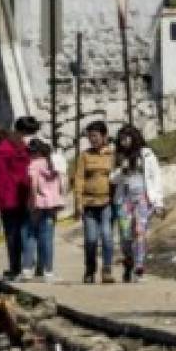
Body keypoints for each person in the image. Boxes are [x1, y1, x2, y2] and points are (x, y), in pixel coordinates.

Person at [0, 115, 40, 280]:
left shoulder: (8, 149)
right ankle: (21, 267)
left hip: (21, 198)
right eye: (29, 133)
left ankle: (19, 268)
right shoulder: (8, 151)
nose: (31, 137)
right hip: (13, 198)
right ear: (21, 131)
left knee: (19, 234)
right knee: (19, 234)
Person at [111, 125, 164, 282]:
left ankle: (139, 268)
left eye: (125, 138)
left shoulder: (147, 155)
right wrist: (122, 171)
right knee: (126, 235)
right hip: (124, 199)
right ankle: (129, 262)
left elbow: (156, 178)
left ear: (134, 137)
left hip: (143, 198)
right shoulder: (119, 156)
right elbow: (112, 178)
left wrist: (159, 202)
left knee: (140, 233)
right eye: (120, 140)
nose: (123, 142)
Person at [73, 120, 116, 284]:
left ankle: (107, 270)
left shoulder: (112, 155)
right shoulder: (84, 156)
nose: (92, 139)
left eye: (95, 136)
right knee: (91, 239)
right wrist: (78, 202)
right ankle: (90, 269)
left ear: (104, 136)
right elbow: (79, 178)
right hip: (89, 204)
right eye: (90, 136)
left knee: (107, 236)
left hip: (107, 202)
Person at [26, 137, 64, 281]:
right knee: (48, 238)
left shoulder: (34, 164)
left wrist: (32, 200)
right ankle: (48, 271)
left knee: (32, 236)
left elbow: (33, 185)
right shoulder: (53, 163)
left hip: (39, 203)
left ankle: (27, 269)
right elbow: (62, 182)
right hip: (52, 204)